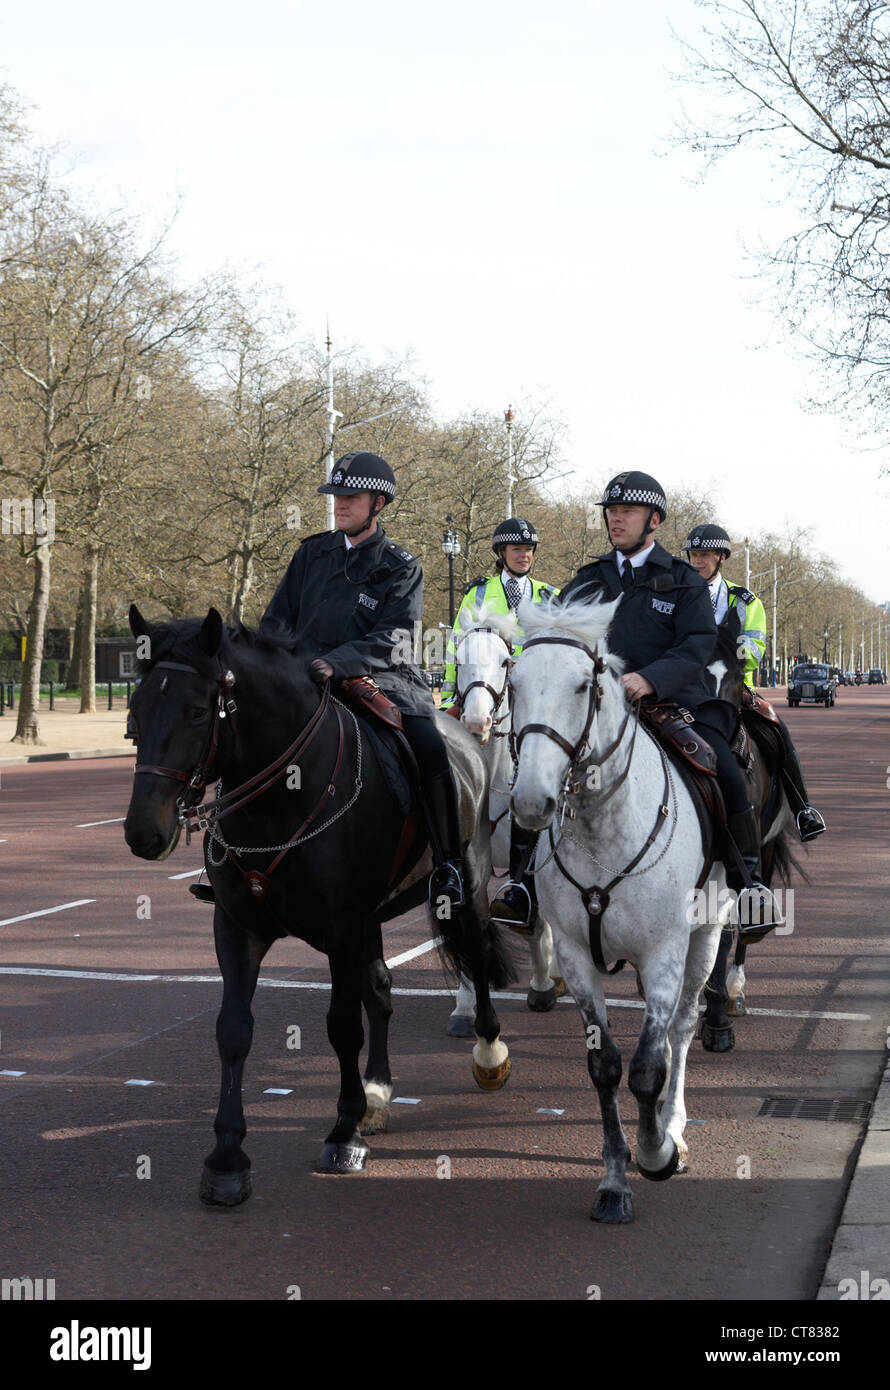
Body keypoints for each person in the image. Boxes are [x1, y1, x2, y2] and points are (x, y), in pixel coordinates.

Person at [495, 470, 783, 940]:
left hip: (670, 703)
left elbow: (697, 643)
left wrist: (650, 679)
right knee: (534, 767)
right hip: (594, 707)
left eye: (626, 511)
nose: (616, 519)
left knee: (722, 767)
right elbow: (556, 635)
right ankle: (521, 883)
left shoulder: (683, 579)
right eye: (611, 512)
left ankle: (748, 882)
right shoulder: (588, 579)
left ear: (654, 520)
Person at [260, 450, 465, 911]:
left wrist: (338, 663)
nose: (339, 505)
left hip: (383, 677)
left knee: (430, 748)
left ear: (378, 503)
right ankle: (235, 857)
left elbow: (395, 636)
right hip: (304, 679)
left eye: (350, 497)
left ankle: (449, 863)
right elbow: (276, 621)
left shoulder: (400, 565)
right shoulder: (311, 553)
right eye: (336, 496)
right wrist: (277, 665)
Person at [441, 518, 560, 936]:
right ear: (501, 553)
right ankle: (448, 865)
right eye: (515, 548)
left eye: (529, 548)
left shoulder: (549, 596)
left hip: (535, 699)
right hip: (485, 697)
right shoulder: (477, 594)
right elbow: (457, 648)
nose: (523, 554)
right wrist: (448, 702)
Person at [684, 524, 825, 842]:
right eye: (692, 554)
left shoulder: (746, 601)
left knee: (775, 728)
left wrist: (727, 665)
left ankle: (803, 809)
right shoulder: (675, 595)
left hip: (733, 687)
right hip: (685, 687)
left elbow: (752, 648)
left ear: (721, 557)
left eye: (703, 555)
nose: (696, 561)